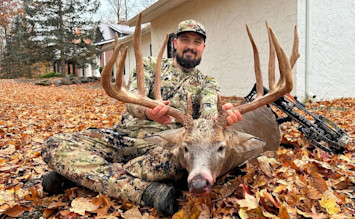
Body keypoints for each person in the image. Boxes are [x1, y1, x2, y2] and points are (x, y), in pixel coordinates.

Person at [41, 19, 242, 216]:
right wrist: (147, 112)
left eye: (197, 42)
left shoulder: (207, 83)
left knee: (183, 161)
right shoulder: (148, 65)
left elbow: (209, 111)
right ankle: (145, 191)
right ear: (175, 43)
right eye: (185, 40)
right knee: (53, 145)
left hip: (161, 148)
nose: (190, 46)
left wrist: (218, 118)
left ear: (203, 47)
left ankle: (79, 174)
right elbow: (132, 100)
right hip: (119, 138)